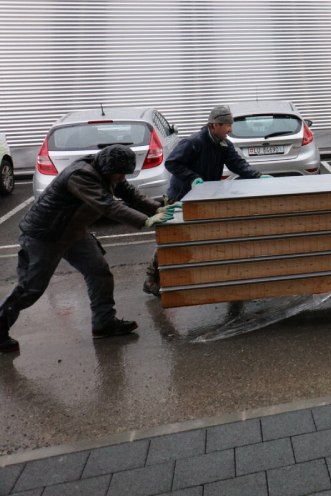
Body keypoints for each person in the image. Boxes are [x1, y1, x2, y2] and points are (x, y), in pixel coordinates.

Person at [0, 145, 174, 353]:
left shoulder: (108, 171)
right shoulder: (81, 175)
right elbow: (108, 205)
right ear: (109, 168)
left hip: (73, 231)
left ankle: (104, 324)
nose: (121, 177)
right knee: (30, 288)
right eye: (119, 174)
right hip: (45, 235)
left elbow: (130, 194)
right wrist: (145, 221)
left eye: (124, 174)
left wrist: (157, 208)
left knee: (98, 271)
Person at [142, 105, 271, 295]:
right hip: (182, 195)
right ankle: (151, 278)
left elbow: (238, 164)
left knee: (212, 233)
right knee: (173, 237)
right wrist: (192, 177)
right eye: (227, 125)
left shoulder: (223, 143)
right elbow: (172, 163)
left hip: (205, 196)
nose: (230, 129)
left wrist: (257, 176)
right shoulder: (194, 142)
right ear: (214, 125)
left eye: (230, 125)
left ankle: (222, 276)